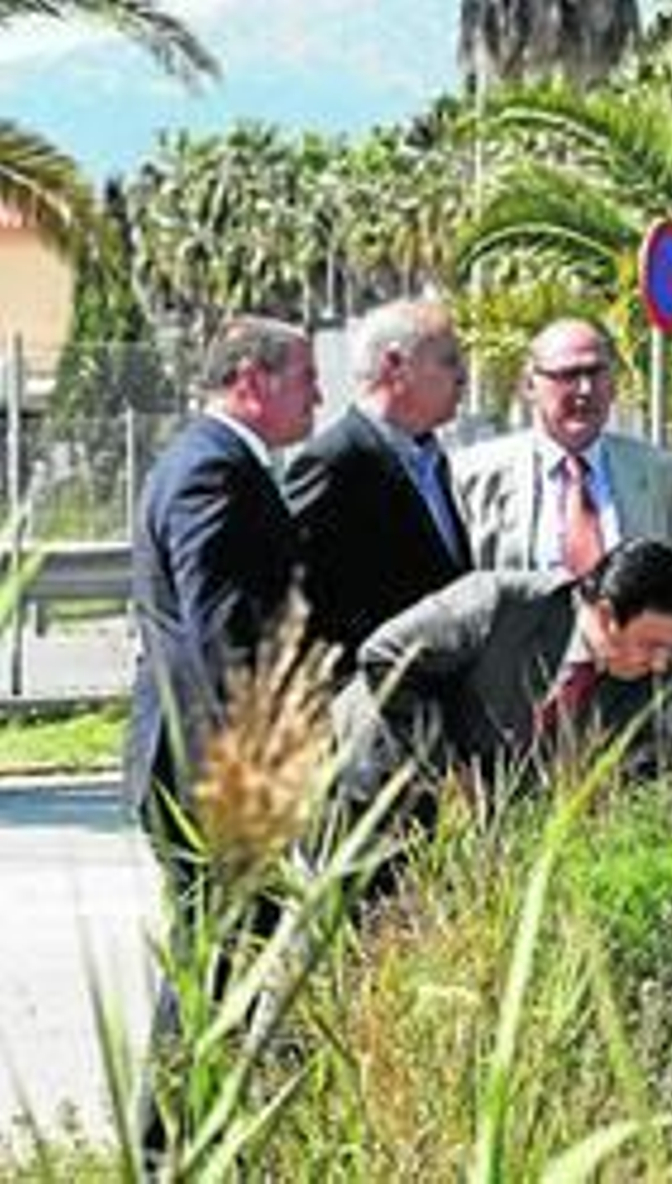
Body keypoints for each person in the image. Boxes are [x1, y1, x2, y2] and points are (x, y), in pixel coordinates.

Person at [123, 313, 321, 1172]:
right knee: (212, 957)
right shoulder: (211, 468)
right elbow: (219, 636)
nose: (319, 392)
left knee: (231, 951)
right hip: (211, 767)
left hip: (217, 762)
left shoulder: (228, 464)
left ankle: (201, 1134)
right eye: (305, 375)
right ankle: (172, 1145)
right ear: (253, 378)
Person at [454, 316, 672, 753]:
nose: (585, 390)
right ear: (530, 384)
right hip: (513, 729)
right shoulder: (473, 476)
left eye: (596, 372)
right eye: (568, 375)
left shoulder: (662, 475)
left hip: (634, 725)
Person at [335, 538, 672, 814]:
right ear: (606, 615)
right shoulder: (497, 603)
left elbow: (642, 775)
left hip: (478, 828)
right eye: (651, 644)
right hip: (376, 778)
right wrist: (447, 772)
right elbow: (384, 655)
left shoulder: (653, 674)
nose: (660, 663)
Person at [285, 298, 470, 677]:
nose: (463, 376)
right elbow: (294, 598)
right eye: (449, 360)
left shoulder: (431, 459)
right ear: (394, 365)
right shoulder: (335, 462)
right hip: (371, 700)